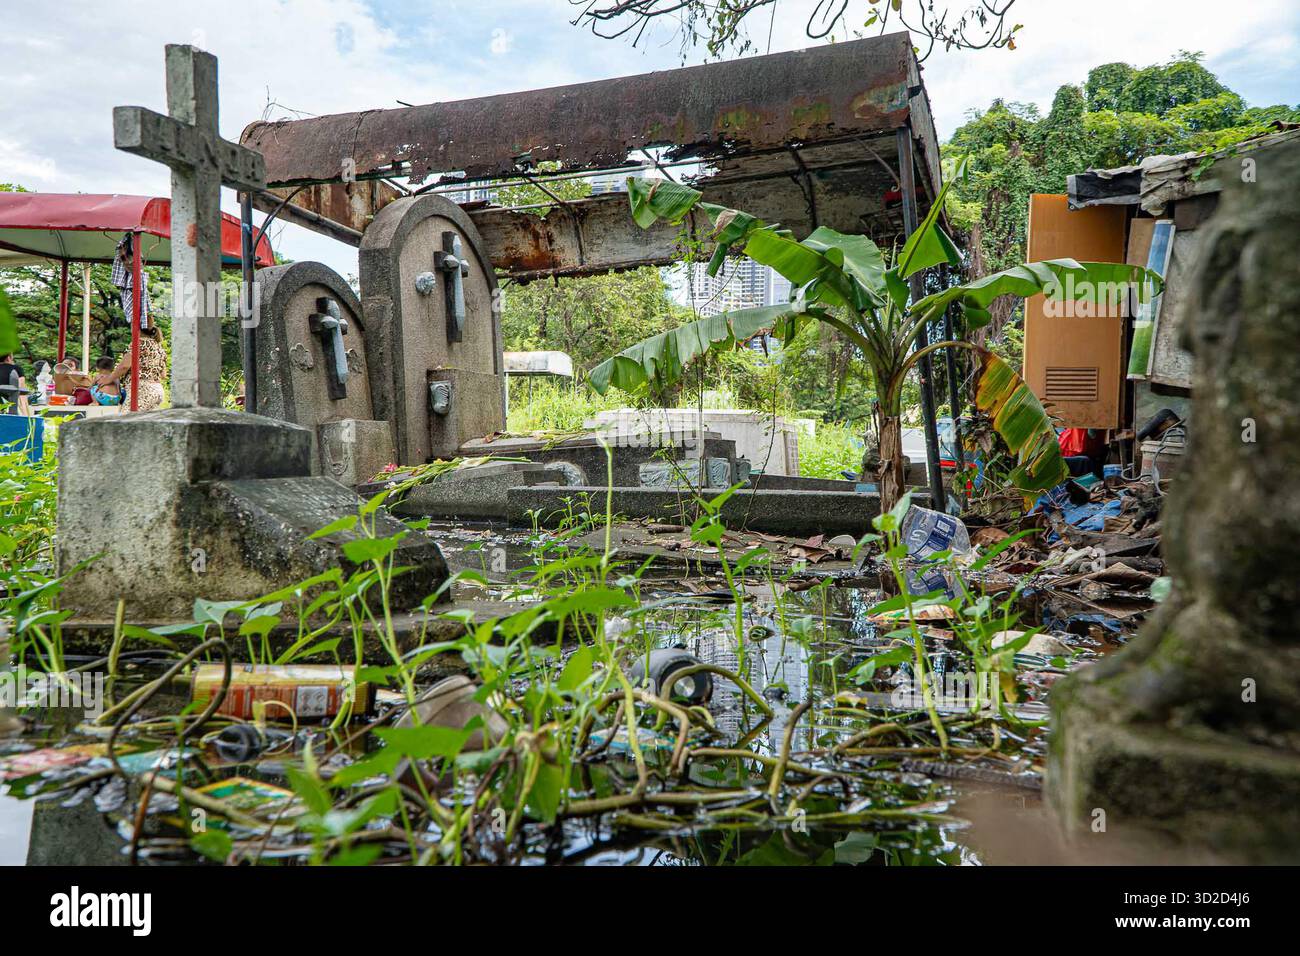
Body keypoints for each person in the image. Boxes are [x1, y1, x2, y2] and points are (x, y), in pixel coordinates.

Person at [101, 326, 168, 412]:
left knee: (126, 420)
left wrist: (109, 379)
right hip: (157, 389)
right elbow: (163, 374)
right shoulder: (159, 347)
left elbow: (124, 366)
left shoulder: (137, 343)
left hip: (141, 389)